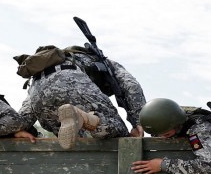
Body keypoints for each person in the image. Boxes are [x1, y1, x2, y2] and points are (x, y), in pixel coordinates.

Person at [14, 45, 145, 149]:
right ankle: (82, 117)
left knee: (78, 138)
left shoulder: (49, 67)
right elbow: (131, 85)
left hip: (36, 92)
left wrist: (18, 129)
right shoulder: (107, 64)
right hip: (71, 81)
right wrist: (139, 121)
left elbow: (28, 105)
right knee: (116, 130)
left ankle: (80, 119)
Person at [131, 98, 211, 174]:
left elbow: (207, 165)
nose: (161, 137)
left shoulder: (198, 129)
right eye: (157, 134)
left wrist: (163, 165)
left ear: (177, 125)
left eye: (166, 134)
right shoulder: (163, 124)